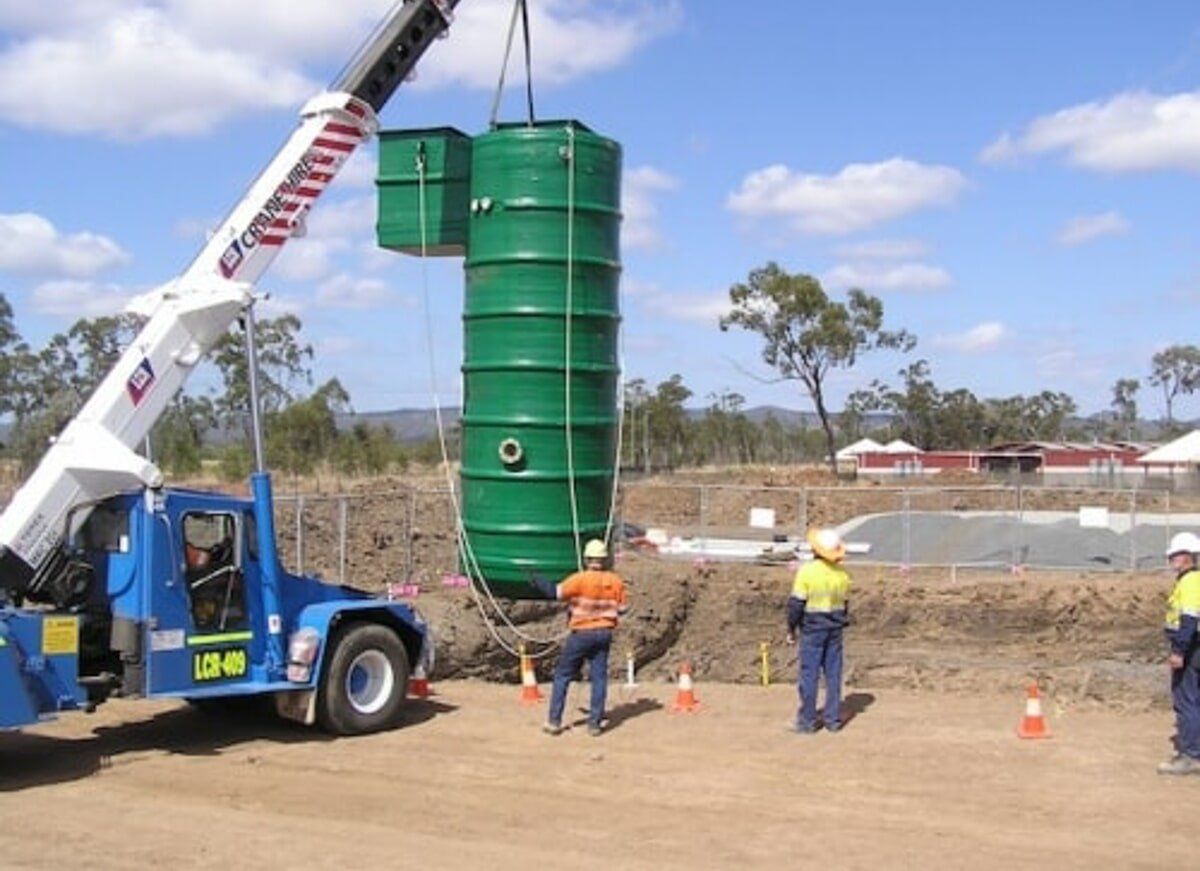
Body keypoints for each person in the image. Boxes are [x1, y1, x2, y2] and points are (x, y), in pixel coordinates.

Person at [534, 539, 629, 737]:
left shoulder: (580, 579)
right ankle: (594, 724)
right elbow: (623, 609)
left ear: (586, 559)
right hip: (604, 633)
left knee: (563, 676)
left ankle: (554, 721)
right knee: (599, 678)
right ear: (605, 559)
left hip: (582, 634)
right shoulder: (616, 581)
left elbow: (555, 592)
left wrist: (536, 577)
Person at [787, 528, 851, 733]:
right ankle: (832, 720)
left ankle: (807, 720)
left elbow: (796, 604)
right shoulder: (843, 575)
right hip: (835, 628)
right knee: (833, 674)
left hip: (813, 627)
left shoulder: (807, 571)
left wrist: (791, 628)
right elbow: (845, 605)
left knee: (810, 674)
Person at [1159, 531, 1200, 775]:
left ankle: (1191, 755)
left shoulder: (1191, 581)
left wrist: (1178, 651)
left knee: (1186, 700)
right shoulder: (1191, 580)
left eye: (1175, 555)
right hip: (1194, 646)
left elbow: (1189, 619)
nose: (1171, 560)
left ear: (1186, 556)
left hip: (1192, 647)